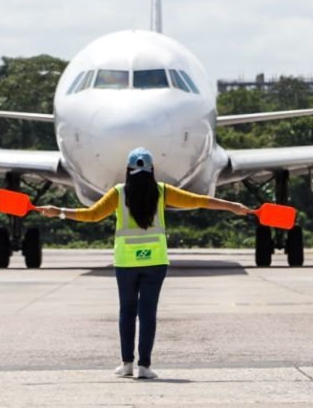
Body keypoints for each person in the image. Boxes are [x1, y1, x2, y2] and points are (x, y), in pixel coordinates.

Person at [34, 146, 252, 380]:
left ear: (128, 170)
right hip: (155, 261)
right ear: (152, 170)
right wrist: (233, 206)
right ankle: (145, 366)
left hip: (126, 262)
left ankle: (126, 363)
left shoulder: (118, 193)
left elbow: (91, 215)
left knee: (127, 312)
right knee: (148, 314)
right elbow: (199, 201)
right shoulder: (163, 191)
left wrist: (59, 211)